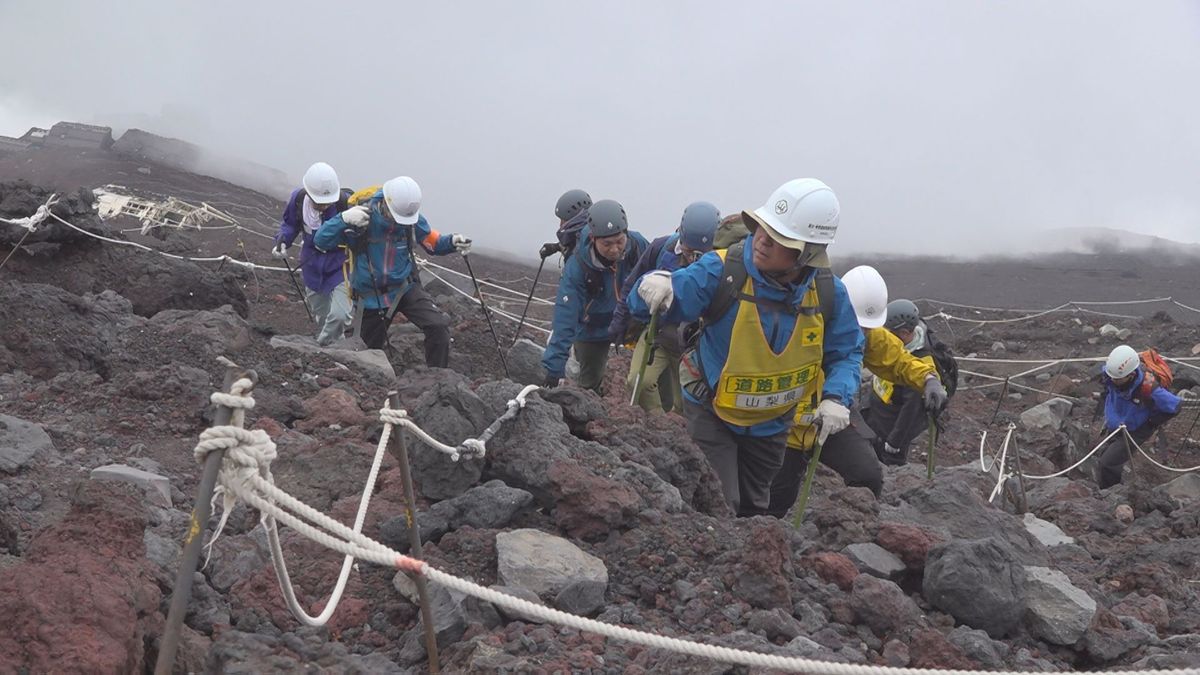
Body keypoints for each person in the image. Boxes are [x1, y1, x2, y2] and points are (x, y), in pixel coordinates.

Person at [628, 178, 864, 517]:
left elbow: (846, 350)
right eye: (763, 227)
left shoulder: (828, 293)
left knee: (757, 508)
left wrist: (835, 397)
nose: (762, 241)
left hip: (773, 424)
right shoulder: (723, 270)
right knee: (720, 506)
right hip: (711, 410)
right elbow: (669, 297)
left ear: (808, 253)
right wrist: (652, 288)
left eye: (780, 238)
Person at [767, 266, 948, 513]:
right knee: (774, 501)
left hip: (833, 418)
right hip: (783, 425)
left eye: (866, 327)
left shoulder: (866, 335)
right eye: (857, 323)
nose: (860, 332)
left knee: (867, 476)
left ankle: (848, 533)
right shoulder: (799, 323)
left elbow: (896, 359)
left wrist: (928, 378)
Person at [313, 176, 471, 366]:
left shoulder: (410, 217)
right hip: (371, 296)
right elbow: (321, 241)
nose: (401, 223)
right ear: (385, 203)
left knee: (438, 327)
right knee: (366, 355)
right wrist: (342, 219)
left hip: (405, 287)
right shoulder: (361, 218)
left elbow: (433, 243)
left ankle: (438, 379)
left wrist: (453, 242)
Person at [609, 201, 720, 414]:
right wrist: (619, 324)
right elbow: (632, 284)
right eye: (689, 251)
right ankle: (659, 422)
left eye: (701, 254)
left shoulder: (721, 263)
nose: (692, 259)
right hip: (657, 333)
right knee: (638, 382)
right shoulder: (661, 248)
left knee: (686, 406)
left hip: (693, 347)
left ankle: (674, 429)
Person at [542, 199, 648, 393]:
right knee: (590, 384)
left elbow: (659, 267)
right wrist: (554, 370)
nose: (615, 249)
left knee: (646, 379)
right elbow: (566, 318)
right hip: (593, 330)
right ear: (593, 238)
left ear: (626, 234)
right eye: (607, 244)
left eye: (619, 241)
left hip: (631, 320)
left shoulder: (637, 245)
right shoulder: (577, 267)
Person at [863, 298, 956, 466]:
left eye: (887, 332)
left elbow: (911, 412)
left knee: (884, 468)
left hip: (889, 431)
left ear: (905, 333)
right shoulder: (907, 343)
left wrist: (894, 443)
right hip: (875, 416)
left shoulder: (920, 365)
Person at [272, 162, 354, 345]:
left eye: (327, 202)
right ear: (308, 193)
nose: (323, 206)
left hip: (341, 267)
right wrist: (282, 241)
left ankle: (321, 346)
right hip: (312, 267)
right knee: (324, 316)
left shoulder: (345, 205)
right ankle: (337, 350)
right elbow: (290, 224)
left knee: (340, 316)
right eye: (318, 202)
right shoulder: (298, 200)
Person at [1095, 344, 1181, 488]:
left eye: (1118, 379)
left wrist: (1151, 423)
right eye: (1112, 377)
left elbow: (1175, 406)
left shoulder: (1148, 387)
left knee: (1108, 463)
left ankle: (1110, 493)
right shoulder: (1113, 374)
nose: (1113, 381)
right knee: (1103, 457)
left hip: (1134, 431)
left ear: (1132, 374)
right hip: (1117, 425)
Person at [538, 189, 592, 261]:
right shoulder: (588, 238)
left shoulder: (587, 250)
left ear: (575, 220)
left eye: (564, 220)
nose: (561, 225)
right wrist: (557, 247)